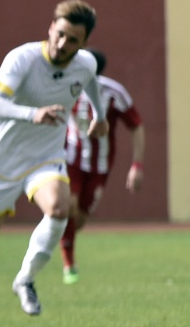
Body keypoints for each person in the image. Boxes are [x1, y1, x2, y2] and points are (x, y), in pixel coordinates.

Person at [0, 0, 109, 327]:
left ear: (84, 43)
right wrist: (33, 113)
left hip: (45, 158)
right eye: (59, 34)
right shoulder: (23, 58)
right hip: (2, 163)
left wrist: (100, 116)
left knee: (60, 209)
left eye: (72, 40)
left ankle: (25, 279)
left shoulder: (85, 63)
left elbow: (88, 80)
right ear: (51, 27)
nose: (63, 44)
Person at [59, 63, 145, 284]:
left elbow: (136, 126)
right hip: (71, 160)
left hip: (100, 165)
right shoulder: (66, 87)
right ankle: (69, 264)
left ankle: (62, 237)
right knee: (69, 205)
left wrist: (137, 165)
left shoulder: (114, 92)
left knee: (79, 219)